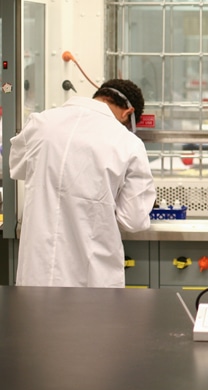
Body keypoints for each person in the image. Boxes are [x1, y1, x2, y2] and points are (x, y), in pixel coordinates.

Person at [10, 79, 157, 287]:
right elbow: (133, 220)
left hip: (38, 274)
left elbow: (17, 167)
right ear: (128, 113)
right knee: (90, 319)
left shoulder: (41, 124)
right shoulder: (128, 142)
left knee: (36, 319)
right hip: (92, 279)